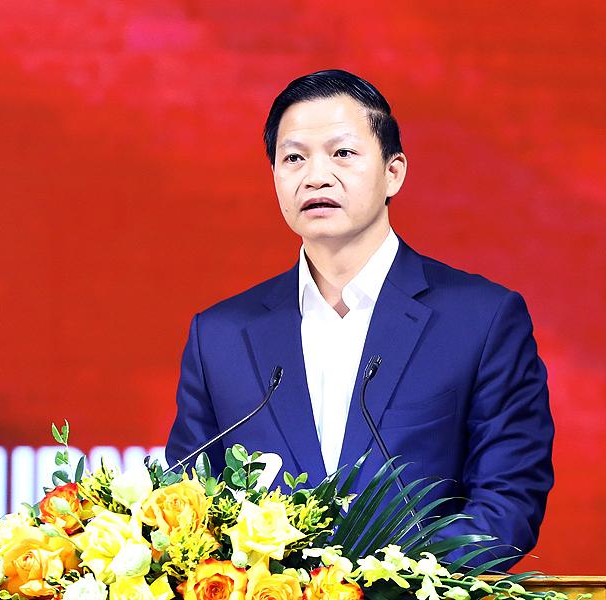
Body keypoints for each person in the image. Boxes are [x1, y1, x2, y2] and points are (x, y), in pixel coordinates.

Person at [166, 70, 553, 565]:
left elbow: (507, 502)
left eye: (342, 153)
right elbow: (186, 509)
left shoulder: (481, 320)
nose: (316, 176)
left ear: (394, 172)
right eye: (294, 158)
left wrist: (393, 588)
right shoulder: (220, 336)